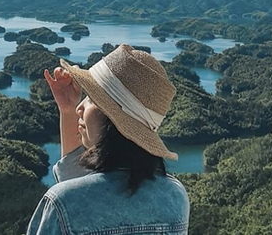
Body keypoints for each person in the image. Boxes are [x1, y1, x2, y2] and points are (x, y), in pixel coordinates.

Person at [26, 43, 190, 235]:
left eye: (92, 100)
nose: (80, 107)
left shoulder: (62, 203)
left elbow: (78, 198)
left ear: (114, 119)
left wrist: (68, 111)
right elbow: (88, 189)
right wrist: (68, 110)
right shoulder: (175, 197)